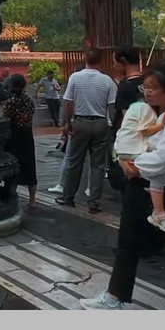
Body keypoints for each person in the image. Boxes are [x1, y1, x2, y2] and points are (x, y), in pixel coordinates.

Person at [80, 63, 165, 310]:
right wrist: (123, 160)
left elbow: (164, 158)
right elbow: (130, 137)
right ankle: (115, 295)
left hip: (163, 188)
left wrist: (132, 164)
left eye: (154, 88)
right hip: (140, 184)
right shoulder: (150, 111)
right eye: (145, 87)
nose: (147, 92)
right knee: (128, 242)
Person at [55, 49, 117, 214]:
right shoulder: (107, 81)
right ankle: (94, 202)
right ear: (100, 61)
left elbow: (68, 103)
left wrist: (66, 123)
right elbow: (112, 107)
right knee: (98, 165)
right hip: (100, 123)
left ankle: (68, 196)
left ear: (85, 59)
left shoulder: (75, 77)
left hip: (80, 122)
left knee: (75, 161)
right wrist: (114, 128)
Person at [112, 93, 165, 231]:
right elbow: (144, 131)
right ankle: (159, 212)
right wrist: (162, 125)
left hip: (123, 150)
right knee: (156, 177)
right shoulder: (146, 109)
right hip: (135, 152)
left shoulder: (133, 108)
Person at [4, 75, 38, 209]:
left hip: (13, 136)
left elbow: (5, 118)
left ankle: (10, 194)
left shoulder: (10, 101)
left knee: (12, 166)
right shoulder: (29, 100)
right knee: (30, 166)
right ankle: (32, 200)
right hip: (27, 134)